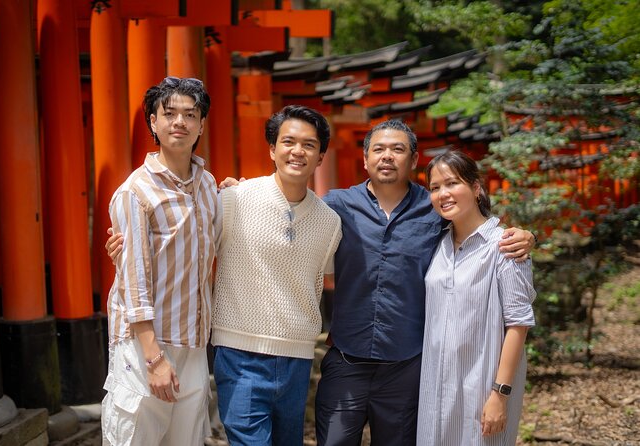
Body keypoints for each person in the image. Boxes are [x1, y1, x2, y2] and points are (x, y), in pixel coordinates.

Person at [107, 105, 342, 445]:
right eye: (288, 141)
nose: (297, 151)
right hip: (239, 353)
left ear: (321, 156)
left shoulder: (330, 221)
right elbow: (186, 244)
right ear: (272, 149)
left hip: (298, 357)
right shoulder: (232, 200)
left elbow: (324, 277)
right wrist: (127, 245)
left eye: (309, 144)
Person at [315, 120, 535, 445]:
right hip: (347, 360)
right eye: (379, 149)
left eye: (398, 149)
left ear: (414, 160)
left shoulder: (433, 209)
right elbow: (293, 211)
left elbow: (479, 228)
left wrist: (528, 237)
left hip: (406, 370)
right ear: (365, 159)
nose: (387, 156)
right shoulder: (336, 205)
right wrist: (241, 190)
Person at [101, 76, 216, 446]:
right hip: (145, 343)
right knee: (136, 437)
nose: (179, 122)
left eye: (189, 114)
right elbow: (133, 279)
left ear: (201, 124)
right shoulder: (135, 192)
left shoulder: (209, 185)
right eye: (169, 114)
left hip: (193, 340)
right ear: (153, 122)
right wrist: (154, 359)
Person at [416, 150, 535, 444]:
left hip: (481, 387)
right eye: (434, 187)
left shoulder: (505, 246)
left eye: (452, 183)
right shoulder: (438, 243)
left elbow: (518, 325)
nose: (443, 194)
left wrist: (500, 394)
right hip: (435, 388)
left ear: (475, 187)